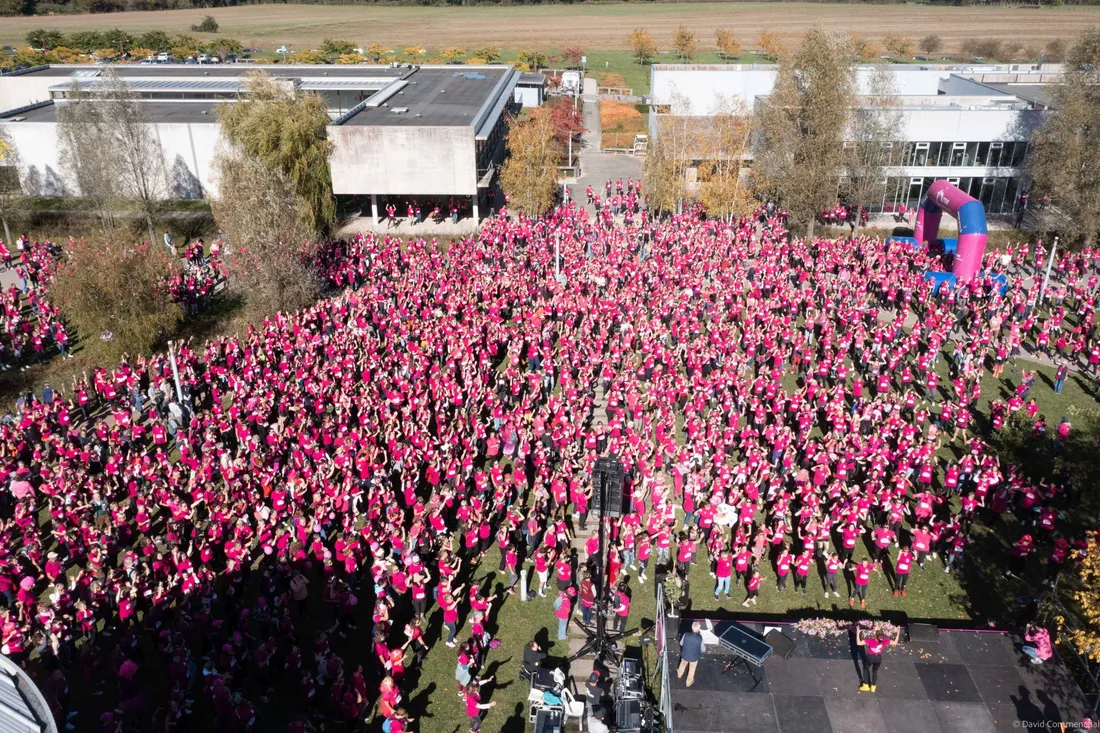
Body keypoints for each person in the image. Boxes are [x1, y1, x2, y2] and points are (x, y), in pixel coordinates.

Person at [855, 625, 901, 692]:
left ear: (875, 636)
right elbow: (895, 643)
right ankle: (873, 687)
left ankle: (866, 686)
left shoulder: (870, 640)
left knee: (865, 668)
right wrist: (898, 633)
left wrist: (858, 633)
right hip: (878, 658)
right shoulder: (885, 641)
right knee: (875, 671)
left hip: (870, 657)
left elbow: (858, 643)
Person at [676, 621, 704, 687]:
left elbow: (681, 643)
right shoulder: (700, 638)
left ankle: (679, 674)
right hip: (694, 658)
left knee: (682, 664)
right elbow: (703, 649)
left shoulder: (686, 634)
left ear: (692, 627)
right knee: (692, 669)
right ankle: (688, 682)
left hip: (685, 655)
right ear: (699, 628)